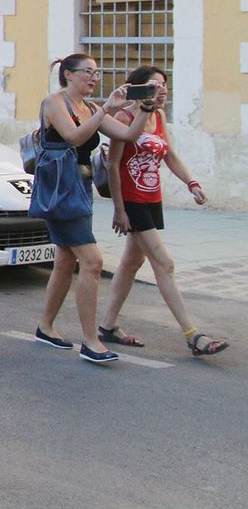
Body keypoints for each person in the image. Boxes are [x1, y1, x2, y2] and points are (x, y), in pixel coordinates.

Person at [96, 67, 229, 357]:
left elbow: (168, 153)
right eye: (154, 85)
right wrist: (119, 209)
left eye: (164, 84)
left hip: (151, 198)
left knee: (131, 262)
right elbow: (112, 165)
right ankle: (193, 335)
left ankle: (106, 326)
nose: (162, 89)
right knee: (164, 264)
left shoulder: (159, 117)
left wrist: (191, 183)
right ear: (137, 89)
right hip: (131, 200)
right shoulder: (124, 118)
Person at [30, 54, 139, 364]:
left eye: (97, 73)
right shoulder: (55, 102)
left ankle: (45, 326)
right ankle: (91, 341)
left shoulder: (90, 108)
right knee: (91, 261)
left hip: (80, 189)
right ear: (68, 74)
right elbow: (74, 136)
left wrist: (143, 109)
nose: (94, 78)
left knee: (65, 259)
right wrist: (106, 108)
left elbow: (127, 134)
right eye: (88, 72)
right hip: (60, 190)